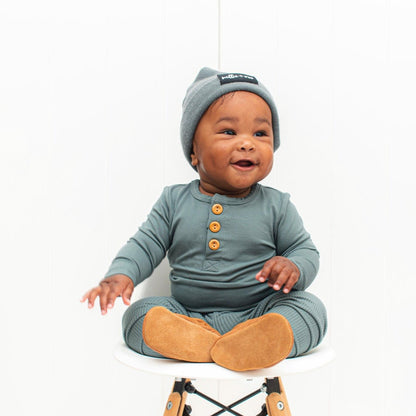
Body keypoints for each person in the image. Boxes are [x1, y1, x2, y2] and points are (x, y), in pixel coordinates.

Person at [81, 67, 327, 372]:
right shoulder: (174, 201)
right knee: (140, 316)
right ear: (194, 152)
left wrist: (294, 266)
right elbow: (145, 245)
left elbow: (305, 251)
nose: (247, 143)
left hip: (261, 314)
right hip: (187, 316)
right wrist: (120, 275)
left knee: (310, 310)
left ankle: (251, 342)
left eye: (260, 133)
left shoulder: (277, 205)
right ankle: (201, 343)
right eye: (229, 132)